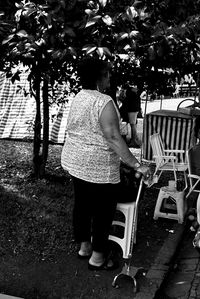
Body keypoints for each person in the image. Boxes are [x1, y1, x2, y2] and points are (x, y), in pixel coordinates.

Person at [61, 57, 150, 271]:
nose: (110, 77)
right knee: (103, 211)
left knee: (82, 205)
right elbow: (112, 137)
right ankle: (98, 257)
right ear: (99, 77)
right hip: (98, 167)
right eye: (107, 73)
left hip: (75, 161)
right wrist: (137, 165)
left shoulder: (79, 97)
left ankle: (84, 247)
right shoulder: (104, 101)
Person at [118, 83, 142, 148]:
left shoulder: (129, 92)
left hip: (131, 110)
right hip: (135, 110)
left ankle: (134, 141)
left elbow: (127, 101)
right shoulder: (134, 91)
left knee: (133, 125)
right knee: (133, 125)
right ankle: (135, 139)